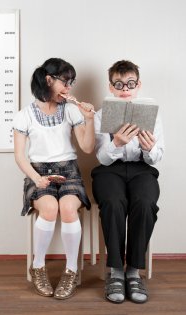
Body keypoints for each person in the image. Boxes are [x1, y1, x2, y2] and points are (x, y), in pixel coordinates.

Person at [13, 58, 95, 300]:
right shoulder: (24, 115)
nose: (69, 89)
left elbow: (87, 148)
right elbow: (20, 157)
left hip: (69, 170)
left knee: (68, 208)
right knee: (48, 208)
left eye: (71, 83)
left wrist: (89, 120)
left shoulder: (70, 110)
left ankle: (70, 271)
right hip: (37, 172)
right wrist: (37, 179)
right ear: (48, 79)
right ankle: (38, 266)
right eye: (65, 82)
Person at [92, 60, 164, 304]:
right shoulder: (101, 115)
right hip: (108, 171)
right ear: (111, 87)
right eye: (119, 84)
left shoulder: (152, 114)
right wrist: (116, 144)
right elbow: (101, 157)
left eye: (130, 83)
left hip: (141, 169)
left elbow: (157, 157)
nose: (125, 88)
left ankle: (133, 271)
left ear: (138, 85)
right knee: (113, 202)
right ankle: (116, 271)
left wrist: (149, 149)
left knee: (144, 203)